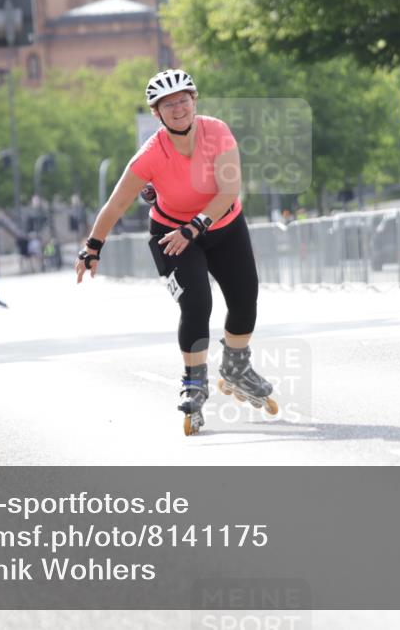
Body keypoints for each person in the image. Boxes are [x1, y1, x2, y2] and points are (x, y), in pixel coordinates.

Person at [75, 69, 278, 436]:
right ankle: (194, 379)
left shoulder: (217, 132)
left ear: (194, 101)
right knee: (197, 304)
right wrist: (93, 245)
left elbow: (229, 189)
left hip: (223, 225)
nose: (178, 108)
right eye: (168, 104)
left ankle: (236, 364)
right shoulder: (150, 154)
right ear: (157, 113)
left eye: (183, 100)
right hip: (170, 234)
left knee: (245, 297)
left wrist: (196, 226)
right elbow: (116, 204)